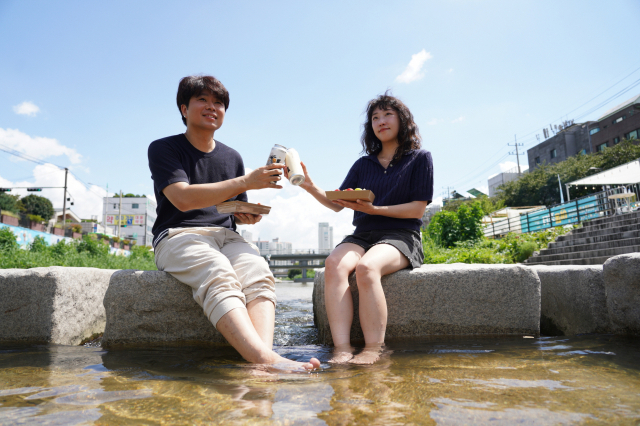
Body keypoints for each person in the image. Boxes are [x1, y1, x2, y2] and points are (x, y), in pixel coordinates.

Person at [148, 75, 320, 371]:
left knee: (259, 273)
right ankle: (267, 360)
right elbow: (183, 199)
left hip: (227, 235)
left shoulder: (232, 156)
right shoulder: (164, 148)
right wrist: (246, 180)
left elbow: (232, 205)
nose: (212, 107)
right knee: (218, 272)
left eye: (219, 103)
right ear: (183, 109)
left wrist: (246, 214)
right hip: (178, 235)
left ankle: (261, 364)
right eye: (202, 100)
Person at [294, 92, 433, 364]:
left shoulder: (420, 158)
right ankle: (342, 348)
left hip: (401, 235)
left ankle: (374, 349)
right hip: (363, 234)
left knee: (367, 268)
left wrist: (375, 209)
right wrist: (308, 184)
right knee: (334, 263)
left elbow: (417, 209)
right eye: (375, 118)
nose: (380, 121)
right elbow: (337, 204)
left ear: (403, 120)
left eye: (387, 115)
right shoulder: (363, 164)